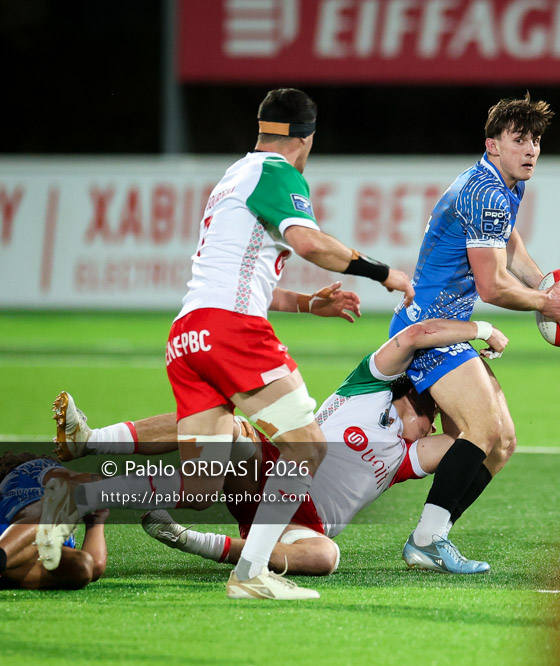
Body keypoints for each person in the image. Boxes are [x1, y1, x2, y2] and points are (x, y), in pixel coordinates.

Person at [36, 88, 415, 600]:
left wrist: (307, 304)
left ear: (261, 129)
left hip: (188, 335)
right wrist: (382, 272)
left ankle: (75, 497)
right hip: (229, 331)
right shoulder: (279, 173)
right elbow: (309, 243)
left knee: (200, 486)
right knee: (306, 444)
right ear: (306, 139)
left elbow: (238, 275)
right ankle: (251, 573)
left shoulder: (232, 178)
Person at [51, 318, 507, 577]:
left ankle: (198, 543)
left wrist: (478, 376)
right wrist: (476, 331)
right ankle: (92, 442)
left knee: (324, 558)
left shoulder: (409, 457)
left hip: (302, 522)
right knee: (225, 426)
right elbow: (411, 337)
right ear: (422, 400)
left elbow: (472, 433)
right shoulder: (369, 384)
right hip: (272, 469)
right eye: (432, 418)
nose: (431, 431)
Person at [388, 93, 560, 572]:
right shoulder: (485, 192)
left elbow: (510, 244)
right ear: (492, 144)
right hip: (429, 329)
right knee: (483, 431)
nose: (531, 149)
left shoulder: (504, 186)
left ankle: (429, 535)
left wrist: (545, 283)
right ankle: (414, 520)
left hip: (451, 328)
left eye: (536, 140)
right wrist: (549, 303)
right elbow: (493, 285)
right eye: (519, 139)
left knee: (500, 445)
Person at [0, 452, 108, 590]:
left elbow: (95, 567)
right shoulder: (31, 468)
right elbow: (89, 481)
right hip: (19, 534)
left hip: (23, 554)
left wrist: (96, 521)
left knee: (82, 564)